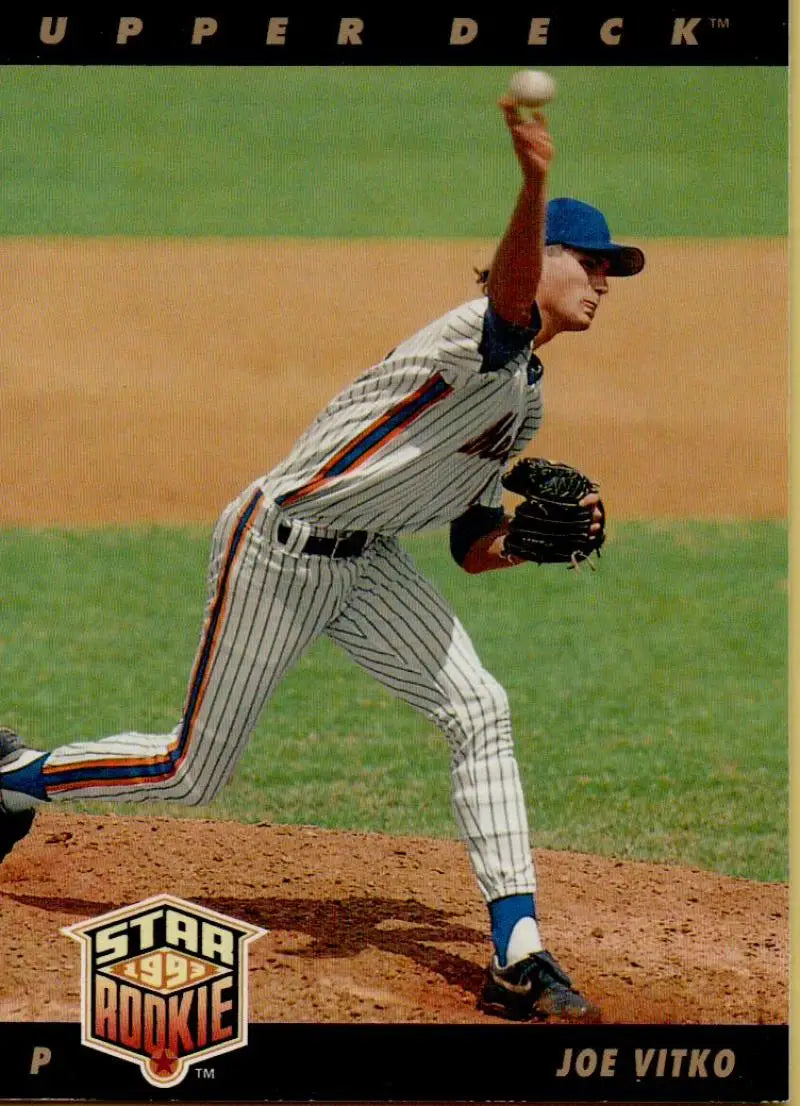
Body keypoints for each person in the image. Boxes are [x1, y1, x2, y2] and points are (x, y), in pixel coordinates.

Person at [0, 99, 644, 1022]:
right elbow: (508, 308)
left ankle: (519, 950)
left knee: (480, 706)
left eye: (614, 269)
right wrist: (534, 180)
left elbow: (469, 548)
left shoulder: (523, 402)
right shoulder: (477, 335)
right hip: (278, 548)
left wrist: (533, 547)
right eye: (592, 261)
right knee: (190, 772)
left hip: (368, 564)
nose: (607, 281)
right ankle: (13, 776)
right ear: (536, 256)